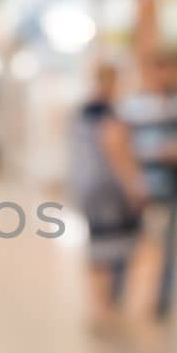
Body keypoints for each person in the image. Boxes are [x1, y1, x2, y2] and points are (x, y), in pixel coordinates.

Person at [120, 48, 177, 320]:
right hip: (142, 182)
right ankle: (120, 295)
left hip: (172, 184)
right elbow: (122, 144)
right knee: (132, 240)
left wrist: (173, 151)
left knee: (171, 246)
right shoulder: (134, 105)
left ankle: (162, 302)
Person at [72, 61, 148, 328]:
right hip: (108, 189)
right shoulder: (107, 113)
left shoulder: (83, 111)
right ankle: (106, 308)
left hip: (87, 188)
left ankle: (98, 306)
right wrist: (134, 186)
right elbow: (115, 149)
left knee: (96, 248)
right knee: (111, 249)